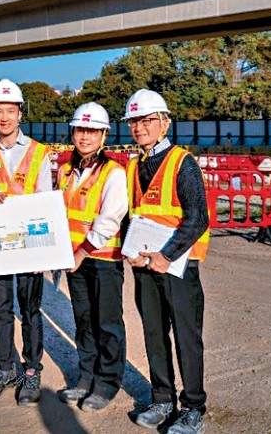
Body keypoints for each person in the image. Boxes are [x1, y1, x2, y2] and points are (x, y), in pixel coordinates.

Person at [122, 89, 210, 434]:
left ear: (163, 122)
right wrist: (129, 248)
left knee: (187, 338)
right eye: (134, 122)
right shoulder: (134, 164)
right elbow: (134, 216)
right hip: (145, 266)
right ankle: (162, 399)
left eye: (146, 121)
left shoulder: (181, 162)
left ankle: (193, 407)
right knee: (154, 334)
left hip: (178, 267)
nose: (140, 128)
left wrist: (167, 255)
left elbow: (197, 218)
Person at [0, 79, 53, 405]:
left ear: (20, 114)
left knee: (30, 310)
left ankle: (31, 371)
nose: (4, 117)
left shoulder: (38, 153)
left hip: (30, 244)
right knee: (0, 309)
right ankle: (4, 366)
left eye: (10, 111)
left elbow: (44, 199)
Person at [56, 102, 128, 413]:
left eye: (92, 131)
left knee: (107, 323)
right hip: (75, 260)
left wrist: (82, 251)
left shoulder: (114, 173)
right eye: (80, 130)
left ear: (104, 136)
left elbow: (111, 218)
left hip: (103, 259)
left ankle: (107, 382)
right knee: (83, 321)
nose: (85, 136)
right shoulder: (66, 171)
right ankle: (86, 376)